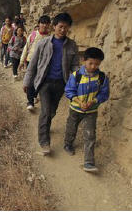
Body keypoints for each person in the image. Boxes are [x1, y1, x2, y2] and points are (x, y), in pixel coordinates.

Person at [22, 12, 79, 156]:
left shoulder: (72, 45)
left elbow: (75, 65)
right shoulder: (43, 43)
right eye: (60, 27)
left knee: (52, 111)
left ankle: (45, 125)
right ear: (54, 27)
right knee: (46, 112)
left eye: (66, 28)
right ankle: (44, 142)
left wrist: (77, 78)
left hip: (61, 84)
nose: (63, 30)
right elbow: (33, 64)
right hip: (45, 82)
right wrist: (27, 81)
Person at [63, 47, 109, 172]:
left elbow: (104, 94)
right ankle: (68, 144)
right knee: (71, 127)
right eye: (91, 63)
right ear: (84, 60)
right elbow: (69, 91)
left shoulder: (102, 78)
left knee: (90, 135)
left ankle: (89, 162)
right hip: (75, 109)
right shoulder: (76, 76)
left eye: (97, 64)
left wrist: (93, 101)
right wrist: (79, 102)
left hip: (91, 111)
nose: (94, 66)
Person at [20, 15, 51, 110]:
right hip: (30, 61)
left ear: (49, 25)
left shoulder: (50, 38)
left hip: (43, 64)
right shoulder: (33, 34)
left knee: (39, 81)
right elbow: (26, 47)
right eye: (42, 23)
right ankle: (30, 102)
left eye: (46, 24)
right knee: (29, 81)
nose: (44, 25)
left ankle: (33, 96)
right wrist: (22, 61)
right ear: (39, 24)